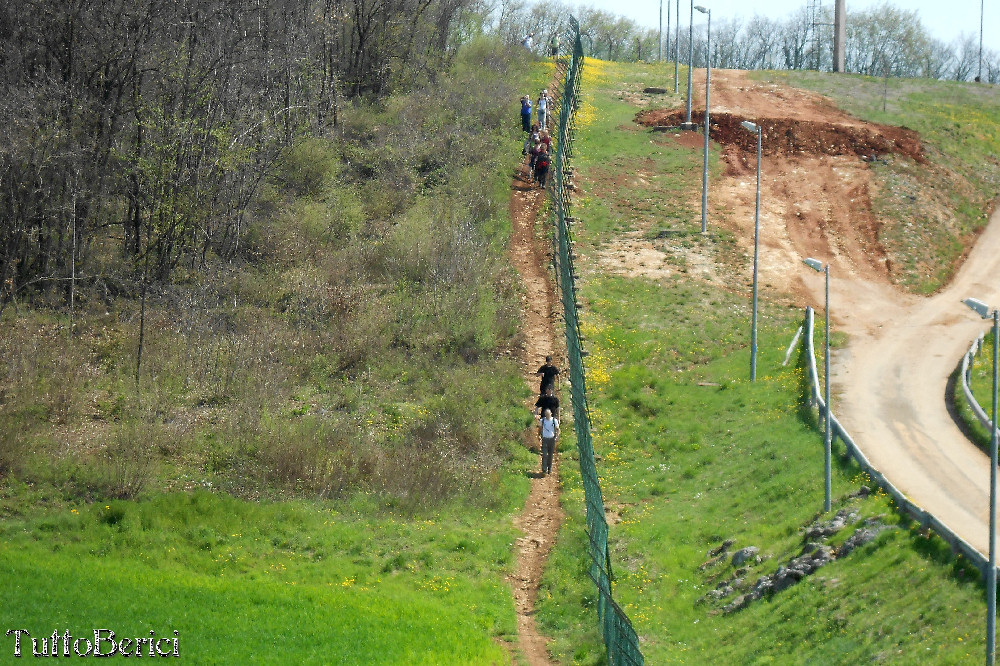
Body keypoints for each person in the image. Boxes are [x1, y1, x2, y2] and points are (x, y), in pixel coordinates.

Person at [537, 408, 559, 475]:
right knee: (544, 454)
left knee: (550, 455)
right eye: (546, 414)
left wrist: (557, 436)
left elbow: (558, 429)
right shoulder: (542, 421)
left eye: (548, 414)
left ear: (551, 414)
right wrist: (539, 435)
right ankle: (544, 469)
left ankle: (549, 468)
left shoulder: (554, 421)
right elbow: (540, 429)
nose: (547, 416)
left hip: (552, 439)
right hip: (545, 439)